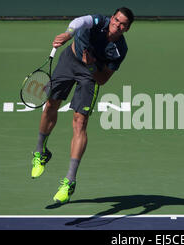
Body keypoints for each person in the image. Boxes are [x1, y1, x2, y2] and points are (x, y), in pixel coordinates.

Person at [31, 7, 134, 204]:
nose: (117, 25)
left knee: (80, 123)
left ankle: (69, 181)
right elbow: (80, 21)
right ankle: (40, 151)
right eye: (116, 20)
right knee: (51, 105)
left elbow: (103, 79)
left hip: (90, 74)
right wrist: (68, 33)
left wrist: (90, 65)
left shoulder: (121, 50)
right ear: (111, 18)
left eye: (123, 25)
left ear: (127, 29)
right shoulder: (98, 21)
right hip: (69, 61)